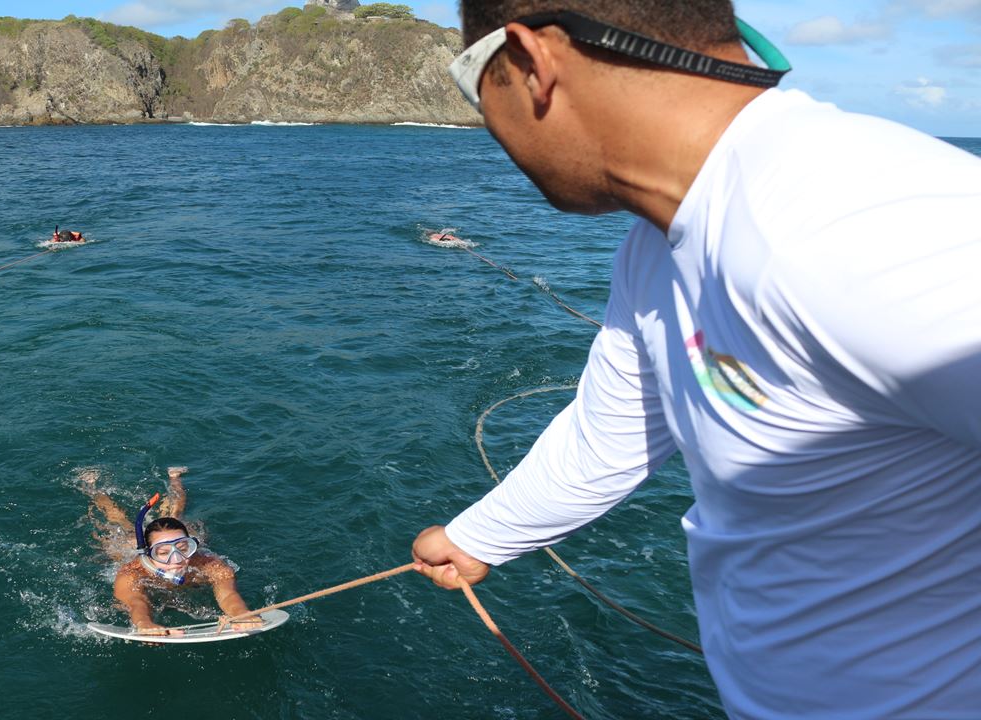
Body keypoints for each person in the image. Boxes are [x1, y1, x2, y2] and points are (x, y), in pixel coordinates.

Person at [410, 1, 981, 717]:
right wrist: (480, 537)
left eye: (472, 85)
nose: (486, 126)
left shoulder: (855, 225)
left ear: (532, 63)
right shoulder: (661, 242)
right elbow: (611, 433)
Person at [85, 466, 263, 636]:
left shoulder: (209, 565)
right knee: (118, 521)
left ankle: (175, 478)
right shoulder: (131, 573)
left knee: (175, 516)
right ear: (148, 554)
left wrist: (242, 613)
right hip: (129, 544)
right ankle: (93, 487)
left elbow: (228, 594)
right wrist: (144, 623)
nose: (176, 559)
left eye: (183, 548)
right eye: (163, 553)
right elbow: (135, 602)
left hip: (175, 536)